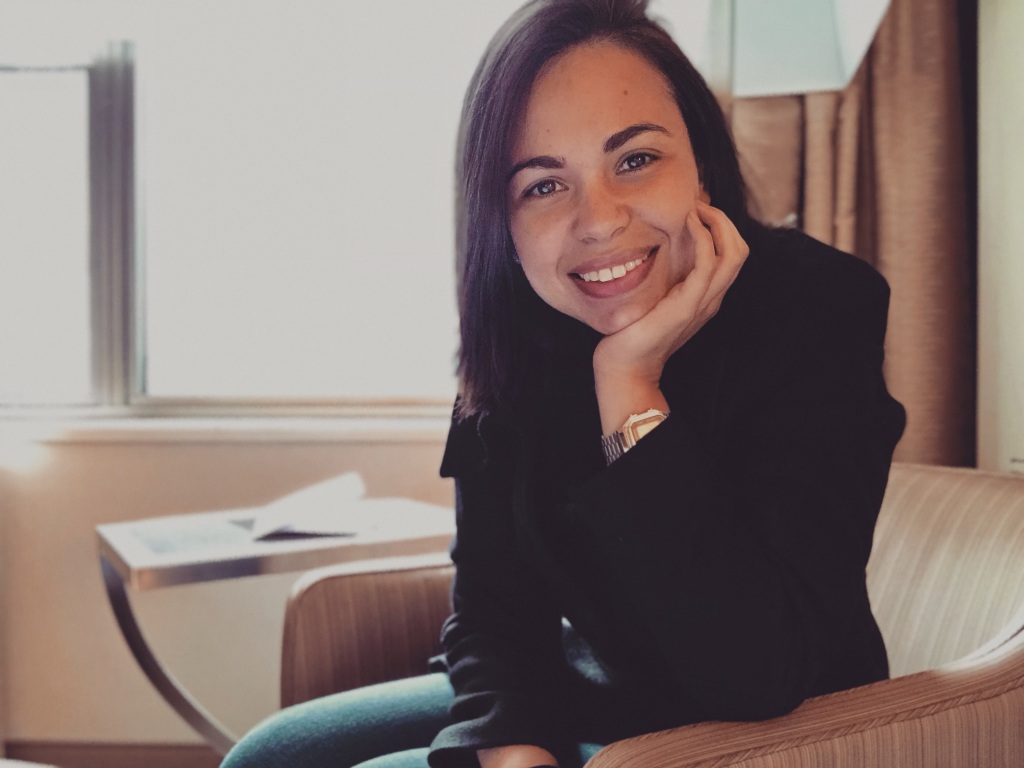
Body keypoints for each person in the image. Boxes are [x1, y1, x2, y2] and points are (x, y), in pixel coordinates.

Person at [221, 0, 906, 766]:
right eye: (544, 186)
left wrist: (631, 384)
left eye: (636, 160)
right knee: (271, 755)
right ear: (501, 222)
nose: (599, 220)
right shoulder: (522, 328)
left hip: (775, 733)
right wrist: (516, 751)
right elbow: (492, 607)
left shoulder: (817, 305)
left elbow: (756, 671)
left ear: (702, 166)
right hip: (597, 699)